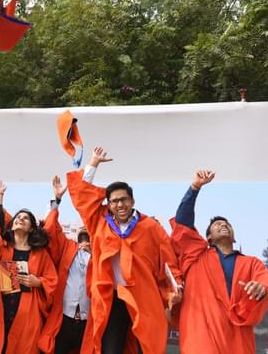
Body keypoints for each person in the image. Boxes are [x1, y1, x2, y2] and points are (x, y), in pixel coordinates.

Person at [66, 147, 182, 354]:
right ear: (108, 205)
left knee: (146, 345)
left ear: (132, 201)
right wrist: (93, 164)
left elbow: (168, 261)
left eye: (124, 199)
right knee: (111, 348)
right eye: (114, 201)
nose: (120, 204)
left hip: (143, 293)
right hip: (112, 296)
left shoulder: (150, 226)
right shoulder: (99, 222)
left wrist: (176, 287)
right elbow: (82, 196)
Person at [169, 170, 268, 353]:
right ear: (208, 237)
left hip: (237, 334)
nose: (223, 225)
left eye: (227, 224)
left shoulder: (250, 262)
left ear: (234, 236)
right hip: (201, 331)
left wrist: (262, 288)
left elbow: (266, 279)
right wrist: (195, 187)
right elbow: (182, 223)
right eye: (217, 225)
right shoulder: (195, 255)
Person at [0, 188, 58, 353]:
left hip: (27, 313)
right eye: (18, 217)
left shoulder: (40, 254)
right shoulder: (0, 247)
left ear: (32, 228)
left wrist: (38, 282)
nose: (20, 219)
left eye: (26, 218)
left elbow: (52, 280)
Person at [38, 176, 91, 354]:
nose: (85, 227)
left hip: (89, 321)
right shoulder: (67, 247)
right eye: (82, 227)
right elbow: (50, 230)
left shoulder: (103, 255)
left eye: (89, 227)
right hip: (64, 318)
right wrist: (57, 200)